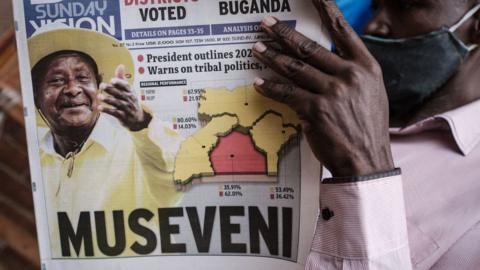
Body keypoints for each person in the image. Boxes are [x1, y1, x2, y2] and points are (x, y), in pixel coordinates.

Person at [252, 0, 480, 269]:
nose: (372, 26)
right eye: (375, 7)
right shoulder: (319, 109)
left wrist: (364, 169)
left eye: (406, 6)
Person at [29, 29, 182, 257]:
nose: (72, 89)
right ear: (36, 96)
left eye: (83, 78)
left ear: (99, 87)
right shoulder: (35, 157)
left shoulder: (135, 145)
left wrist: (140, 123)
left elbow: (175, 172)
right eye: (57, 80)